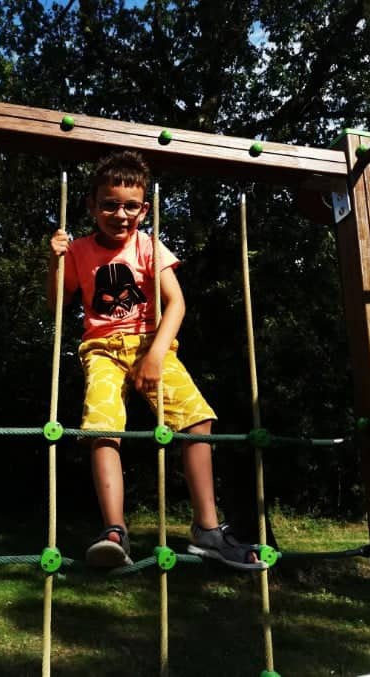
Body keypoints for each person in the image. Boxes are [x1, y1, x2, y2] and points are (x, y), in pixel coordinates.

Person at [47, 150, 265, 571]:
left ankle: (207, 530)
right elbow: (57, 305)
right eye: (109, 204)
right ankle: (115, 530)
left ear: (144, 209)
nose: (120, 213)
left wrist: (156, 354)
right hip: (103, 349)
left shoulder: (148, 244)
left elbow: (177, 302)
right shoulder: (77, 250)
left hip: (153, 344)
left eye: (131, 206)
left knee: (197, 419)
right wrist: (54, 262)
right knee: (102, 426)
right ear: (91, 206)